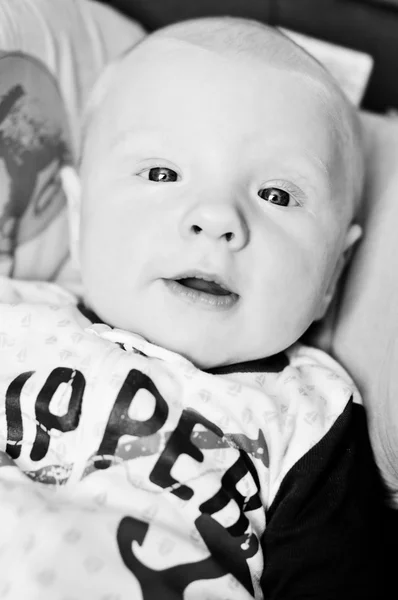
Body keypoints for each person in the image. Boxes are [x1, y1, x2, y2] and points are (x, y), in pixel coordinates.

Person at [0, 17, 386, 600]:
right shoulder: (15, 317)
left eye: (276, 195)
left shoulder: (310, 415)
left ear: (333, 270)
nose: (216, 219)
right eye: (162, 173)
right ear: (79, 220)